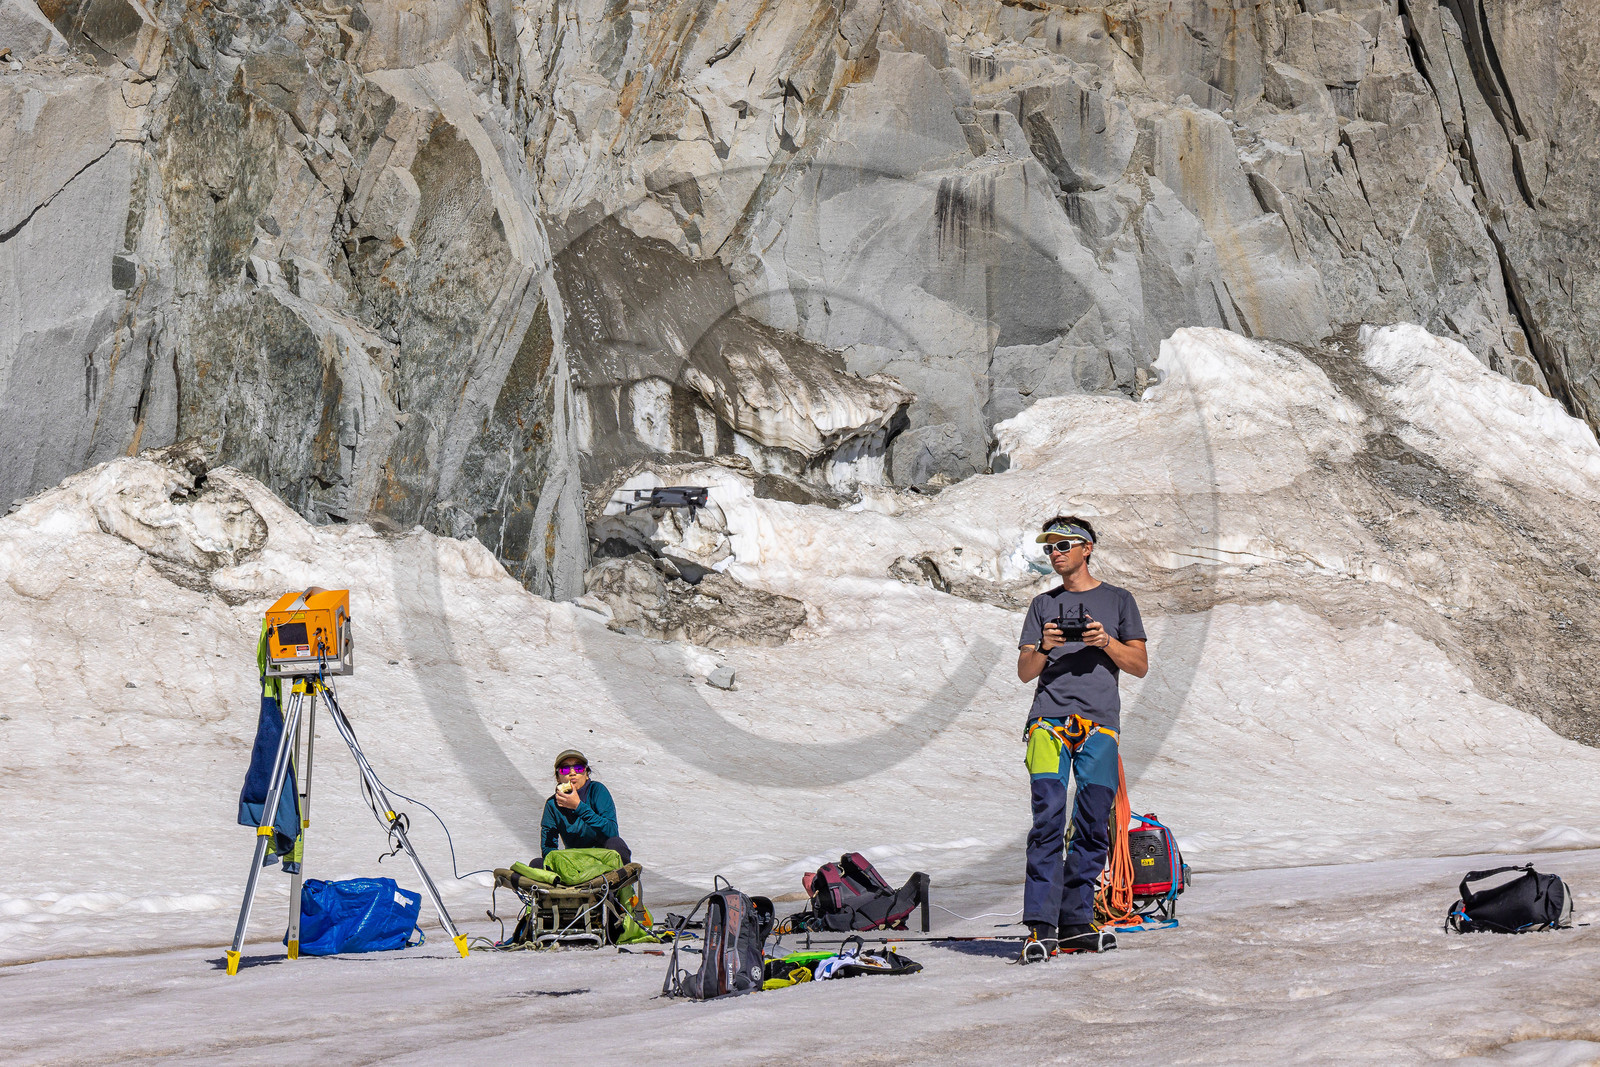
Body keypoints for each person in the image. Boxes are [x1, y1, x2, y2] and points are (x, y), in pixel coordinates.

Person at [1015, 515, 1148, 959]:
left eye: (1064, 544)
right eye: (1049, 547)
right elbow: (1024, 672)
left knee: (1093, 825)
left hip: (1101, 727)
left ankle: (1074, 922)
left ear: (1087, 548)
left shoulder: (1119, 600)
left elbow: (1138, 665)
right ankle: (1040, 926)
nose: (1055, 553)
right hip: (1048, 724)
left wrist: (1104, 641)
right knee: (1048, 819)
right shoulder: (1041, 605)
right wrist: (1048, 647)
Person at [539, 749, 633, 865]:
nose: (572, 773)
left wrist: (579, 807)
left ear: (586, 774)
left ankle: (619, 881)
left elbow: (612, 831)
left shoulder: (597, 791)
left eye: (579, 768)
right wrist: (560, 863)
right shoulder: (553, 804)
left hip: (603, 858)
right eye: (565, 769)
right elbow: (548, 846)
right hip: (574, 861)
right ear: (558, 778)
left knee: (616, 844)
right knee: (536, 864)